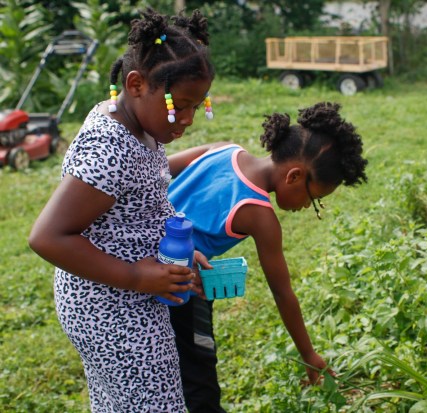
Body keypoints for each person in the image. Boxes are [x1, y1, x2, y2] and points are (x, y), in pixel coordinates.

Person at [28, 8, 215, 412]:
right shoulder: (110, 147)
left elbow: (143, 198)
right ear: (135, 84)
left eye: (196, 107)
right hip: (110, 310)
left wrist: (176, 250)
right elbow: (47, 237)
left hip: (127, 298)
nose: (186, 120)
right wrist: (135, 275)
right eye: (178, 106)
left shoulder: (141, 123)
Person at [167, 102, 368, 412]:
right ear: (294, 176)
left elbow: (157, 169)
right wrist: (309, 355)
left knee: (173, 364)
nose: (307, 209)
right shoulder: (260, 215)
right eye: (314, 200)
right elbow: (282, 291)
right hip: (177, 288)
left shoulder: (225, 149)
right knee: (199, 378)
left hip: (144, 258)